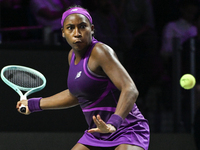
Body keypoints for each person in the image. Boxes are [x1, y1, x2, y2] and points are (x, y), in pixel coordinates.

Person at [16, 5, 150, 150]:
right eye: (70, 28)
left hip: (127, 129)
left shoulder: (100, 51)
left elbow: (130, 89)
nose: (77, 33)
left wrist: (113, 123)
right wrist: (33, 104)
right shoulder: (71, 56)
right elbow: (77, 94)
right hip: (97, 132)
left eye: (82, 27)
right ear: (63, 32)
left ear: (92, 29)